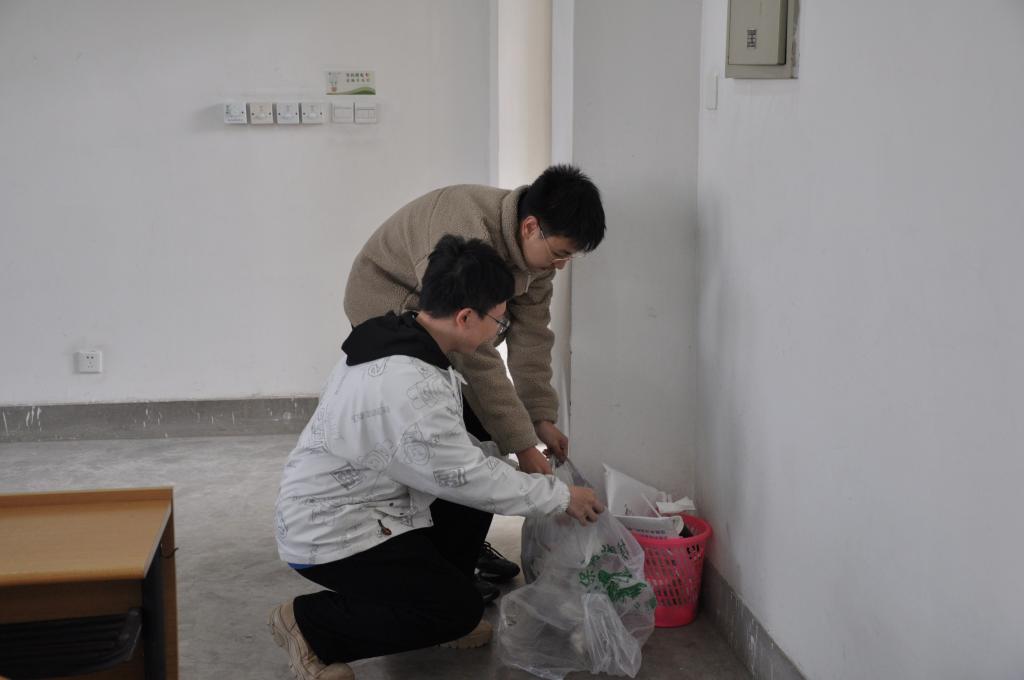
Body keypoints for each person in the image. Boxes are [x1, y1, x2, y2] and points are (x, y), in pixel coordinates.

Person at [270, 235, 605, 680]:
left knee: (470, 502)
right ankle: (311, 625)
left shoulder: (404, 339)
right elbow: (468, 476)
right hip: (331, 533)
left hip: (370, 503)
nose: (497, 333)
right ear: (465, 317)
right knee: (457, 608)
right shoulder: (409, 386)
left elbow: (459, 464)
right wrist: (560, 496)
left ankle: (433, 605)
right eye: (498, 322)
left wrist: (528, 465)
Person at [343, 164, 606, 589]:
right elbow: (477, 353)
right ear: (531, 227)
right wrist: (522, 445)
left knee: (483, 431)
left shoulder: (537, 263)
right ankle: (443, 567)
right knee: (465, 440)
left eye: (569, 258)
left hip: (445, 318)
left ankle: (460, 550)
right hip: (390, 304)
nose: (560, 265)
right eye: (560, 253)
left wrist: (540, 417)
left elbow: (532, 336)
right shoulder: (464, 223)